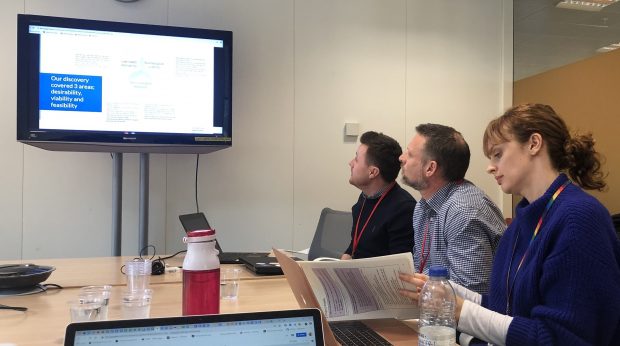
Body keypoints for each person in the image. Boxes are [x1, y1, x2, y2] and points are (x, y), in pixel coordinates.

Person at [399, 104, 620, 345]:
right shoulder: (523, 222)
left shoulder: (578, 218)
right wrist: (446, 292)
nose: (490, 166)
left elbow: (559, 338)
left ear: (534, 144)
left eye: (498, 154)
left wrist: (462, 311)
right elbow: (504, 308)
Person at [399, 123, 505, 294]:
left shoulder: (463, 210)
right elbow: (421, 270)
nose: (401, 158)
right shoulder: (422, 207)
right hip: (437, 310)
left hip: (465, 316)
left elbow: (473, 291)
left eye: (409, 154)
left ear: (430, 168)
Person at [342, 131, 416, 260]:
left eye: (356, 159)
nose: (350, 163)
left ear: (373, 172)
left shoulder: (404, 208)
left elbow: (399, 267)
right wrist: (346, 257)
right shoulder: (365, 197)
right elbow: (357, 245)